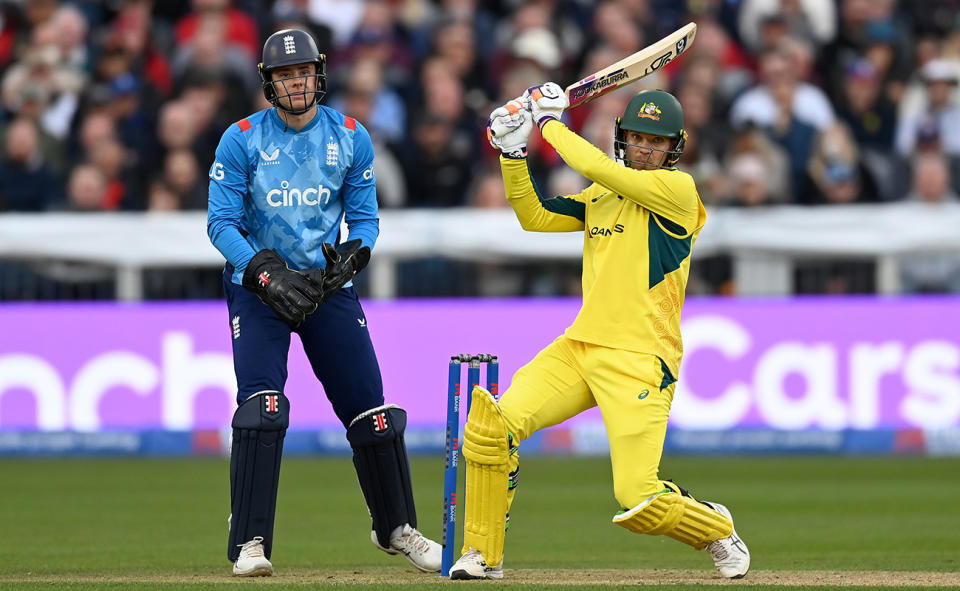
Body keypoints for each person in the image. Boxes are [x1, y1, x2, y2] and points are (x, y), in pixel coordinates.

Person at [448, 85, 750, 580]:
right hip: (580, 347)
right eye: (637, 138)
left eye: (656, 142)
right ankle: (483, 555)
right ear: (623, 139)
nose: (645, 150)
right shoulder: (603, 195)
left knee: (638, 499)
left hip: (641, 356)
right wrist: (512, 152)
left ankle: (714, 526)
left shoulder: (679, 192)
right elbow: (536, 217)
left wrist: (548, 124)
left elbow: (597, 167)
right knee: (490, 427)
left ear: (674, 147)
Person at [206, 28, 440, 577]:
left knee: (375, 415)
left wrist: (352, 260)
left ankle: (398, 529)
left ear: (320, 75)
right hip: (258, 289)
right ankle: (250, 543)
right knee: (263, 411)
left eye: (303, 72)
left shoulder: (352, 136)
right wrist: (265, 274)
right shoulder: (240, 139)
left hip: (325, 288)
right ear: (269, 83)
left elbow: (364, 220)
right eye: (284, 75)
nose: (295, 83)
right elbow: (221, 223)